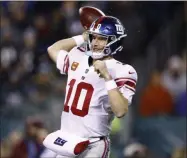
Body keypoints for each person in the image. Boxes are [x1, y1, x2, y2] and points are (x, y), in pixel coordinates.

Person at [43, 16, 138, 158]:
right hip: (68, 142)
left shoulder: (123, 70)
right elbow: (53, 49)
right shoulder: (77, 55)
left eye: (101, 38)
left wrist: (108, 77)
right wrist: (82, 38)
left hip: (93, 145)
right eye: (93, 37)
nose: (95, 42)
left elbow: (120, 111)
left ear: (113, 40)